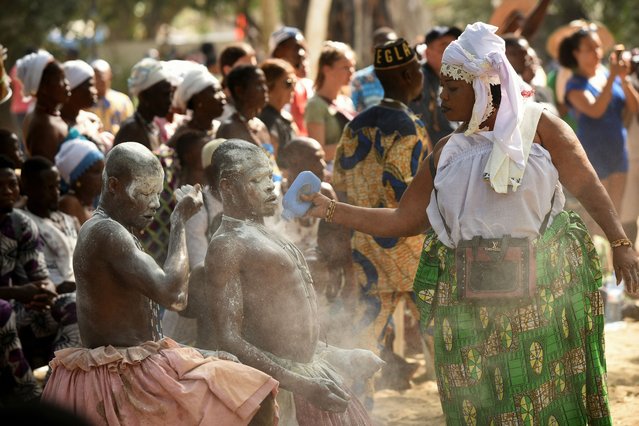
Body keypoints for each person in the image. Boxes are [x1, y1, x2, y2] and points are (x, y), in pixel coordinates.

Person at [304, 22, 637, 425]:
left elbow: (588, 185)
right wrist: (330, 209)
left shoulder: (541, 128)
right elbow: (402, 219)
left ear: (487, 88)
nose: (441, 97)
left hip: (543, 296)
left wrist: (621, 243)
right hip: (470, 302)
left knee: (545, 399)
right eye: (442, 86)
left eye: (453, 88)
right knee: (481, 406)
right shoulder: (448, 150)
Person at [42, 142, 278, 425]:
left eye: (157, 194)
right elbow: (175, 295)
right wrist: (178, 220)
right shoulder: (106, 232)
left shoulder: (115, 228)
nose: (154, 204)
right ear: (114, 186)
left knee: (243, 381)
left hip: (143, 359)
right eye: (144, 193)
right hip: (124, 373)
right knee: (254, 396)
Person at [201, 139, 381, 425]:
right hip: (279, 393)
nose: (270, 186)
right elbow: (230, 338)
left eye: (269, 176)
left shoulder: (265, 233)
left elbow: (288, 332)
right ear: (227, 187)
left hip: (310, 377)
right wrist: (301, 384)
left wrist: (341, 356)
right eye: (256, 180)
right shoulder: (228, 245)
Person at [331, 39, 431, 393]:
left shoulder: (354, 124)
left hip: (365, 247)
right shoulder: (408, 126)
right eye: (418, 69)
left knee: (365, 337)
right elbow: (403, 191)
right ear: (408, 74)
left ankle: (360, 408)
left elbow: (339, 184)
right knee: (439, 328)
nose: (421, 75)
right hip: (411, 248)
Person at [559, 28, 639, 217]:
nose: (596, 52)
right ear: (576, 53)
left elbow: (635, 108)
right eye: (589, 48)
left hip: (619, 151)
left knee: (616, 210)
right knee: (600, 214)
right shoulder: (574, 85)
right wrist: (612, 77)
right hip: (594, 155)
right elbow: (596, 110)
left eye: (598, 47)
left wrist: (623, 78)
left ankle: (615, 247)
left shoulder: (608, 76)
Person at [0, 155, 54, 402]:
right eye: (0, 186)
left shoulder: (21, 223)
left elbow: (40, 274)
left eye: (12, 184)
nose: (8, 191)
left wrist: (45, 291)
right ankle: (29, 391)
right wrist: (18, 293)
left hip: (20, 308)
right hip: (5, 308)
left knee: (71, 305)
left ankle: (60, 384)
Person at [305, 41, 356, 166]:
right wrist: (354, 145)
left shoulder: (346, 101)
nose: (351, 72)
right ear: (326, 69)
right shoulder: (315, 105)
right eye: (345, 67)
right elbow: (318, 152)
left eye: (352, 66)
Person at [409, 25, 462, 144]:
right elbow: (419, 129)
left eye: (456, 47)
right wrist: (431, 161)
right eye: (445, 47)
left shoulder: (458, 77)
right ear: (428, 53)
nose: (452, 53)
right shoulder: (419, 80)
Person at [16, 50, 70, 161]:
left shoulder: (46, 114)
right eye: (61, 79)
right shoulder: (43, 129)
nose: (67, 83)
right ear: (44, 87)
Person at [114, 58, 173, 151]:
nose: (170, 101)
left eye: (170, 95)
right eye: (164, 95)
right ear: (145, 96)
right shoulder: (131, 130)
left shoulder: (152, 126)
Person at [217, 65, 273, 155]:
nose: (265, 89)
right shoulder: (230, 129)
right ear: (239, 91)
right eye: (258, 84)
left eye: (264, 83)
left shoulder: (260, 125)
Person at [60, 60, 113, 153]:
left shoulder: (90, 120)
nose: (95, 91)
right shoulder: (58, 127)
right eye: (91, 85)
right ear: (73, 90)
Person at [270, 26, 314, 136]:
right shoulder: (269, 89)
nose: (302, 53)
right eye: (296, 48)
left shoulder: (308, 86)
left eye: (304, 48)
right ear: (278, 53)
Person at [54, 138, 105, 224]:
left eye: (103, 170)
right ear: (78, 177)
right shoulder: (69, 203)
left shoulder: (88, 205)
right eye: (96, 171)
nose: (103, 175)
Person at [350, 27, 398, 112]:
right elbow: (355, 114)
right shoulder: (359, 79)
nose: (388, 51)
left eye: (392, 46)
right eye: (383, 47)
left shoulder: (405, 78)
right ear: (372, 50)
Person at [259, 58, 298, 154]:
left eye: (294, 83)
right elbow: (270, 163)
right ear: (268, 87)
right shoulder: (265, 120)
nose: (293, 88)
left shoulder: (285, 116)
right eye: (288, 83)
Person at [88, 59, 134, 135]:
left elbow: (130, 128)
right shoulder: (85, 103)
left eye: (102, 76)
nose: (100, 80)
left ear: (110, 76)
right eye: (96, 77)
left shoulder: (123, 101)